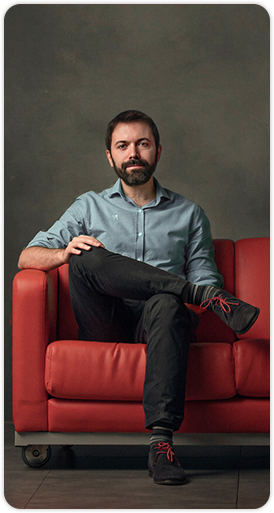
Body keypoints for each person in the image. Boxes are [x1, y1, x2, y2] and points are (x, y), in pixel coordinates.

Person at [18, 110, 259, 485]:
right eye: (123, 145)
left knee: (165, 302)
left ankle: (161, 444)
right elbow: (27, 257)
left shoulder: (188, 213)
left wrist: (193, 291)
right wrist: (64, 253)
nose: (134, 153)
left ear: (157, 152)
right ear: (110, 157)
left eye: (142, 144)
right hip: (105, 319)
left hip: (163, 324)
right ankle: (194, 294)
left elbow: (205, 273)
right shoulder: (89, 206)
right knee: (84, 254)